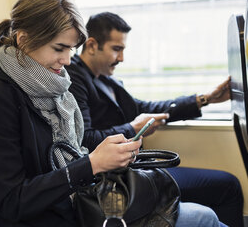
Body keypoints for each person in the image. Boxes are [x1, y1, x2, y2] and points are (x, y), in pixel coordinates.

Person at [0, 0, 223, 227]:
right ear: (23, 39)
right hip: (61, 216)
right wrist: (91, 164)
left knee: (201, 214)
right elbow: (13, 203)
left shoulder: (51, 88)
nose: (67, 60)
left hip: (81, 202)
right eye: (59, 48)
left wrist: (101, 159)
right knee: (204, 218)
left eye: (71, 49)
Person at [66, 12, 244, 227]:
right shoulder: (75, 78)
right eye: (116, 49)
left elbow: (144, 108)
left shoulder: (106, 79)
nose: (121, 58)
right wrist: (132, 128)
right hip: (120, 177)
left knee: (226, 184)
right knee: (227, 186)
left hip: (136, 168)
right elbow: (85, 139)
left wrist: (204, 99)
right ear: (92, 45)